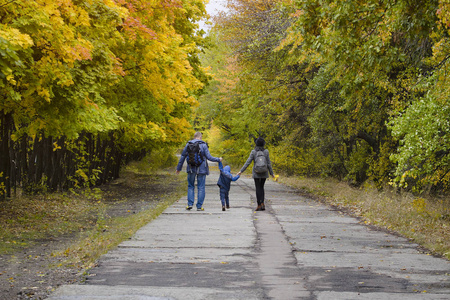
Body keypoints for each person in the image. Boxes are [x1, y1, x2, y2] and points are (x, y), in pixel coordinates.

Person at [176, 132, 222, 211]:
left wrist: (179, 168)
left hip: (191, 168)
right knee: (201, 187)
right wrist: (218, 159)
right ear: (200, 137)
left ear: (194, 137)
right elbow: (209, 157)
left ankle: (190, 204)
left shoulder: (188, 144)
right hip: (202, 169)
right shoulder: (203, 145)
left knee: (191, 186)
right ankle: (199, 207)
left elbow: (183, 156)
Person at [238, 137, 274, 211]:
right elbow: (269, 163)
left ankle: (258, 205)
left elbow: (248, 162)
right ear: (263, 144)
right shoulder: (266, 152)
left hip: (256, 172)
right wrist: (271, 173)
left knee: (258, 188)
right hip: (264, 171)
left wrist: (241, 171)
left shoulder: (253, 152)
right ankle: (263, 203)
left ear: (256, 143)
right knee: (262, 187)